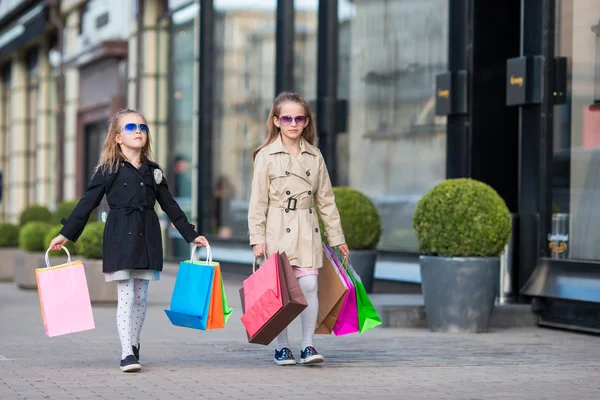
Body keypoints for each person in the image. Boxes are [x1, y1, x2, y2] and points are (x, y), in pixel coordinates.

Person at [49, 109, 208, 373]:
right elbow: (87, 203)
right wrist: (67, 234)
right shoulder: (108, 169)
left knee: (141, 296)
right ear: (118, 137)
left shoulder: (153, 172)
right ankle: (126, 353)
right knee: (126, 296)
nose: (138, 131)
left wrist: (191, 236)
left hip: (148, 235)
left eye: (143, 127)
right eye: (131, 127)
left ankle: (134, 344)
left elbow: (171, 207)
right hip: (120, 235)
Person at [248, 92, 350, 366]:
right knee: (279, 292)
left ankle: (308, 345)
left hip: (307, 227)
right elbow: (257, 201)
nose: (293, 123)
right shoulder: (266, 156)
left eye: (299, 118)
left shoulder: (314, 155)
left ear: (306, 122)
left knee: (309, 285)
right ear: (276, 121)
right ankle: (281, 347)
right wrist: (257, 237)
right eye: (287, 118)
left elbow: (326, 200)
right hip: (277, 229)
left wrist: (337, 236)